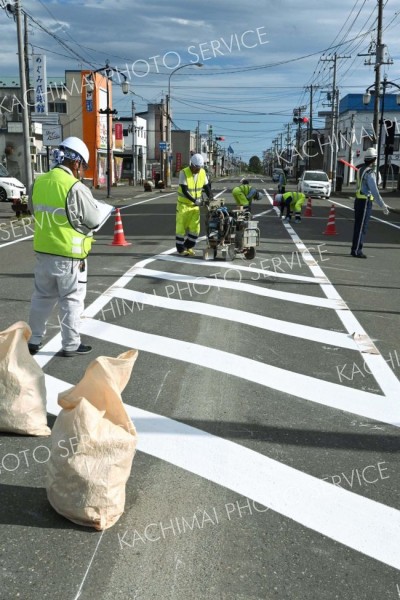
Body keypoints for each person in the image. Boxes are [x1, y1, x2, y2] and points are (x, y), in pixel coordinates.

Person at [27, 136, 110, 357]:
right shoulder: (75, 187)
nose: (82, 171)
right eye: (82, 166)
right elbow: (93, 220)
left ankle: (34, 340)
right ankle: (71, 344)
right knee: (71, 299)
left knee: (41, 297)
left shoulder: (40, 182)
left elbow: (34, 209)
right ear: (75, 163)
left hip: (43, 251)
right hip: (69, 254)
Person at [351, 147, 390, 259]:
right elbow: (375, 191)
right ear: (373, 160)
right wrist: (382, 205)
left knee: (358, 226)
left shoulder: (360, 170)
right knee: (362, 227)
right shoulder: (370, 173)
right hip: (365, 202)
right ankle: (357, 250)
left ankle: (355, 249)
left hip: (358, 200)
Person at [176, 153, 213, 256]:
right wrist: (194, 200)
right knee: (181, 229)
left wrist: (211, 197)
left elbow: (206, 187)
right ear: (191, 164)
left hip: (195, 206)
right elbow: (184, 190)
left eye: (199, 168)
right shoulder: (184, 172)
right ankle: (181, 250)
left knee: (195, 229)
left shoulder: (202, 172)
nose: (197, 170)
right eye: (196, 168)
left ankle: (188, 247)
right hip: (183, 205)